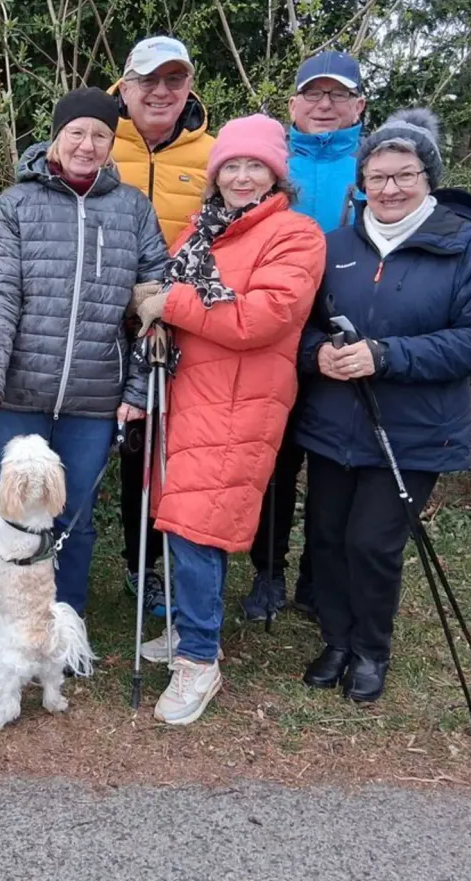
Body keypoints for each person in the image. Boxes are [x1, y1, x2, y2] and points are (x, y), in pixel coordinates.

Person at [296, 109, 471, 703]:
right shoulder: (334, 245)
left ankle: (370, 650)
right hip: (335, 422)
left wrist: (387, 356)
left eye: (404, 175)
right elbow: (301, 328)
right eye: (378, 176)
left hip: (414, 429)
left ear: (427, 178)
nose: (389, 188)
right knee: (328, 536)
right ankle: (336, 638)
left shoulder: (464, 247)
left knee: (373, 540)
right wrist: (318, 357)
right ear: (360, 182)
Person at [0, 87, 170, 672]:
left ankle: (63, 637)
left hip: (95, 395)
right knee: (15, 523)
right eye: (77, 133)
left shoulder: (132, 208)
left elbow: (154, 308)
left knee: (74, 520)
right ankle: (8, 636)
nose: (87, 145)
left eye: (100, 136)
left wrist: (136, 392)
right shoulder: (17, 203)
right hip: (22, 393)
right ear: (56, 137)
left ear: (112, 145)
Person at [132, 114, 325, 725]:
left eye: (254, 166)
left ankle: (198, 661)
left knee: (198, 524)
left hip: (242, 399)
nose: (241, 176)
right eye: (231, 167)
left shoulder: (295, 235)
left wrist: (172, 303)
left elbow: (260, 317)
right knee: (177, 511)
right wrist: (154, 305)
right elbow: (170, 292)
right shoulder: (204, 230)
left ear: (276, 174)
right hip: (188, 392)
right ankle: (196, 631)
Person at [241, 50, 368, 623]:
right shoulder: (267, 160)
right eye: (313, 94)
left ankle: (319, 578)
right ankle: (268, 573)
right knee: (274, 460)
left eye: (337, 95)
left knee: (334, 464)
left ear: (358, 106)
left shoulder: (376, 166)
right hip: (276, 332)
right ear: (293, 104)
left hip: (348, 335)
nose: (324, 105)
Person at [107, 35, 216, 619]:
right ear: (125, 86)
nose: (161, 91)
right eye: (149, 80)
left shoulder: (214, 155)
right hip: (94, 320)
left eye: (174, 80)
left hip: (169, 328)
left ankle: (142, 564)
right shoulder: (96, 137)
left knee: (149, 449)